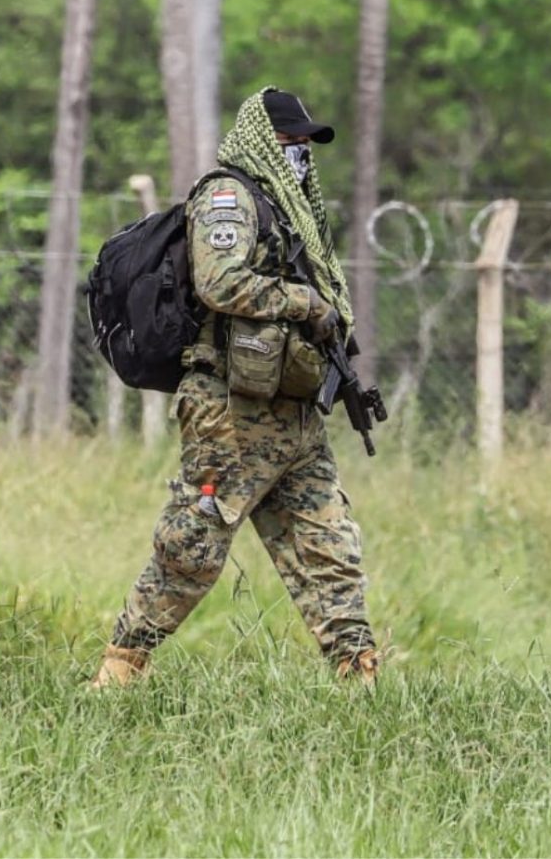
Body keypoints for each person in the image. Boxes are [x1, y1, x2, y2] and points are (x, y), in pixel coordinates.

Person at [90, 87, 379, 688]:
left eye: (306, 142)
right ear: (261, 140)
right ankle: (120, 670)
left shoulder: (290, 208)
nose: (301, 152)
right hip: (230, 408)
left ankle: (361, 678)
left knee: (329, 546)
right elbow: (220, 283)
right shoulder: (231, 196)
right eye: (291, 141)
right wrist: (304, 302)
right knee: (193, 543)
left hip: (292, 412)